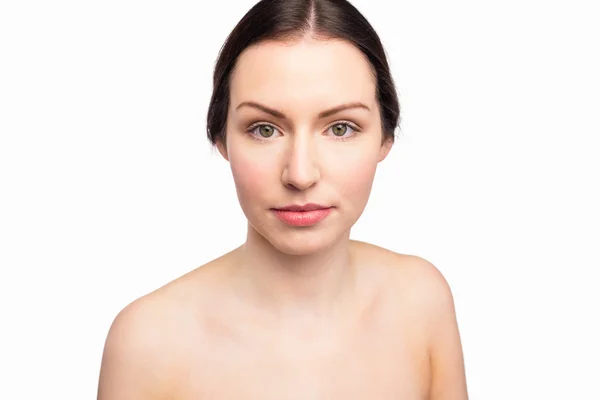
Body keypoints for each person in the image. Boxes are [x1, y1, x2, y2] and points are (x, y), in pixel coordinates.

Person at [97, 0, 468, 398]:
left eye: (341, 128)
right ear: (221, 138)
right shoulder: (147, 343)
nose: (300, 174)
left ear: (385, 137)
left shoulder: (420, 300)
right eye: (264, 129)